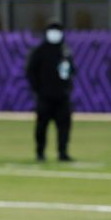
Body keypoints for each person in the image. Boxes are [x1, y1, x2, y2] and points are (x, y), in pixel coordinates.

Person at [25, 22, 76, 162]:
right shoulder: (40, 51)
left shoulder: (65, 51)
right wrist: (37, 89)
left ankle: (63, 152)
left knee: (64, 126)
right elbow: (30, 71)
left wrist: (67, 88)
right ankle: (40, 152)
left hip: (62, 96)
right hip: (45, 96)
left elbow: (72, 71)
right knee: (42, 126)